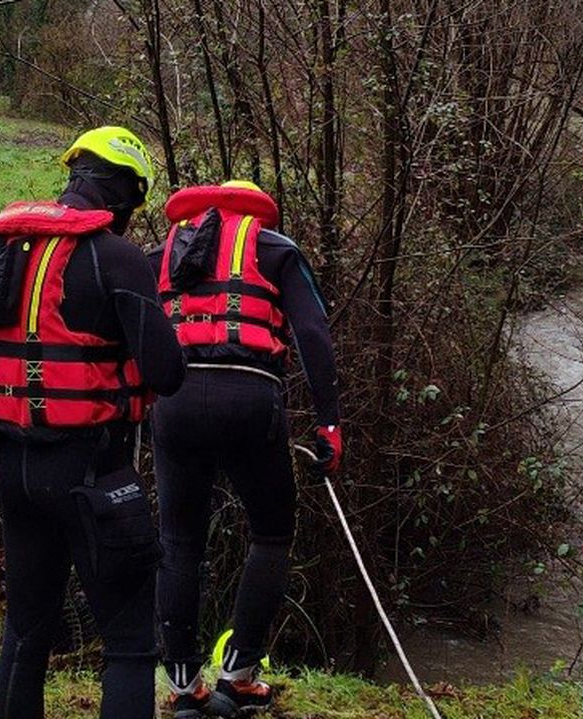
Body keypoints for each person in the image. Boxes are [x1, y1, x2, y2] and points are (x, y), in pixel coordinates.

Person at [0, 127, 185, 719]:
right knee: (130, 640)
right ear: (127, 193)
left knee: (26, 629)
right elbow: (167, 373)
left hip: (15, 467)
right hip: (94, 471)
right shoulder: (117, 257)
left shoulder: (6, 243)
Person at [149, 180, 341, 718]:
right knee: (272, 533)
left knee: (179, 541)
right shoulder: (276, 249)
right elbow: (313, 334)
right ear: (254, 215)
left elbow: (133, 333)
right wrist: (328, 421)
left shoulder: (158, 255)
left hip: (175, 401)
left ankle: (184, 687)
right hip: (249, 398)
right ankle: (237, 677)